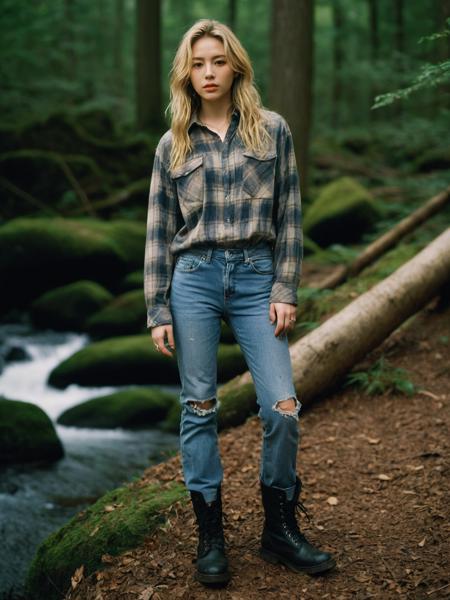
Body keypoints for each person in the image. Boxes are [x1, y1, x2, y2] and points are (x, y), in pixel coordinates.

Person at [144, 18, 335, 586]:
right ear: (187, 71)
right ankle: (212, 536)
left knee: (283, 408)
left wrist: (285, 289)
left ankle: (278, 530)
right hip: (194, 280)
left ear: (236, 67)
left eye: (218, 62)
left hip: (257, 278)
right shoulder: (172, 143)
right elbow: (159, 230)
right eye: (198, 63)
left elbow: (290, 217)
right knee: (198, 407)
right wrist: (157, 309)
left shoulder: (272, 131)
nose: (208, 72)